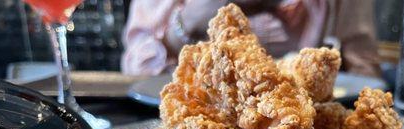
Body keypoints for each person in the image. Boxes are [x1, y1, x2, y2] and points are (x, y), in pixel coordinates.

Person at [121, 0, 379, 76]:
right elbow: (135, 68)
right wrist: (189, 20)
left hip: (311, 120)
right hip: (166, 116)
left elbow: (365, 72)